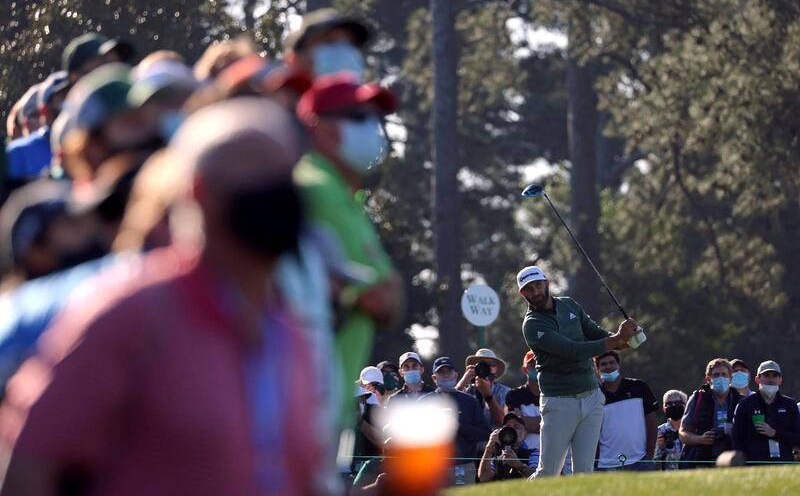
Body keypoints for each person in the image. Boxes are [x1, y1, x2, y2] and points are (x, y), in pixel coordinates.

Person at [0, 98, 324, 495]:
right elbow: (29, 467)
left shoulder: (290, 334)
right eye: (256, 169)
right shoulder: (131, 313)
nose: (277, 188)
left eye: (286, 173)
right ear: (201, 191)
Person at [295, 73, 404, 424]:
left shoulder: (346, 196)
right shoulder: (316, 188)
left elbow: (387, 300)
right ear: (319, 127)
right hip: (304, 401)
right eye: (358, 117)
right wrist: (378, 292)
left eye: (375, 118)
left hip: (324, 401)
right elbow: (382, 299)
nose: (371, 128)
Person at [517, 264, 639, 477]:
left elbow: (596, 333)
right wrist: (618, 339)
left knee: (584, 473)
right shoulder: (532, 325)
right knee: (548, 473)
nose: (535, 291)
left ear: (547, 283)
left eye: (537, 285)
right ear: (522, 294)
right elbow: (572, 350)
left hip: (591, 396)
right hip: (559, 402)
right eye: (529, 289)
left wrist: (628, 340)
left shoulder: (569, 305)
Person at [421, 356, 490, 485]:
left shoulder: (469, 401)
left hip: (462, 466)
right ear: (434, 378)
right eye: (441, 372)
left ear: (456, 375)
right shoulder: (424, 402)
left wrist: (458, 425)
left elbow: (484, 433)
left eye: (449, 371)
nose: (446, 375)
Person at [594, 351, 658, 471]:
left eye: (612, 362)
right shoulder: (595, 395)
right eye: (603, 364)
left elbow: (652, 422)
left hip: (640, 461)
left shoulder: (639, 387)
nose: (608, 367)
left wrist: (649, 455)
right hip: (605, 464)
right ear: (597, 369)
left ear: (619, 365)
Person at [678, 358, 743, 469]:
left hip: (732, 459)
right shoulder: (697, 398)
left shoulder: (741, 401)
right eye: (716, 375)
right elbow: (683, 433)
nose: (720, 378)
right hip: (702, 460)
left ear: (730, 378)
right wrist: (700, 439)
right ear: (708, 379)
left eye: (724, 374)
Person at [732, 360, 800, 463]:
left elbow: (797, 438)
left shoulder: (790, 405)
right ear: (757, 379)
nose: (770, 379)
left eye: (774, 375)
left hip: (784, 465)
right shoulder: (745, 404)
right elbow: (737, 440)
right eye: (766, 375)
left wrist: (774, 433)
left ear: (780, 379)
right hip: (753, 466)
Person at [285, 8, 371, 80]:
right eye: (330, 41)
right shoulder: (274, 99)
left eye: (351, 43)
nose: (344, 50)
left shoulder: (367, 99)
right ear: (295, 58)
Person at [457, 348, 511, 428]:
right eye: (482, 364)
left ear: (496, 370)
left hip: (496, 439)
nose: (486, 368)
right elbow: (447, 408)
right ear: (474, 368)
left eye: (491, 364)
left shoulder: (505, 392)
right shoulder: (465, 392)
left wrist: (488, 396)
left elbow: (504, 422)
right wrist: (462, 384)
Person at [478, 412, 537, 482]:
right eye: (508, 427)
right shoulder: (497, 454)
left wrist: (519, 465)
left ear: (525, 434)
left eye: (516, 427)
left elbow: (537, 478)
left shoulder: (533, 453)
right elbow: (484, 478)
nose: (512, 430)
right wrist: (488, 449)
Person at [654, 389, 688, 470]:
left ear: (685, 405)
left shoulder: (693, 429)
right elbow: (651, 463)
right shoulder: (658, 431)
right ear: (663, 408)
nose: (673, 406)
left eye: (677, 403)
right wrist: (658, 447)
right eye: (668, 404)